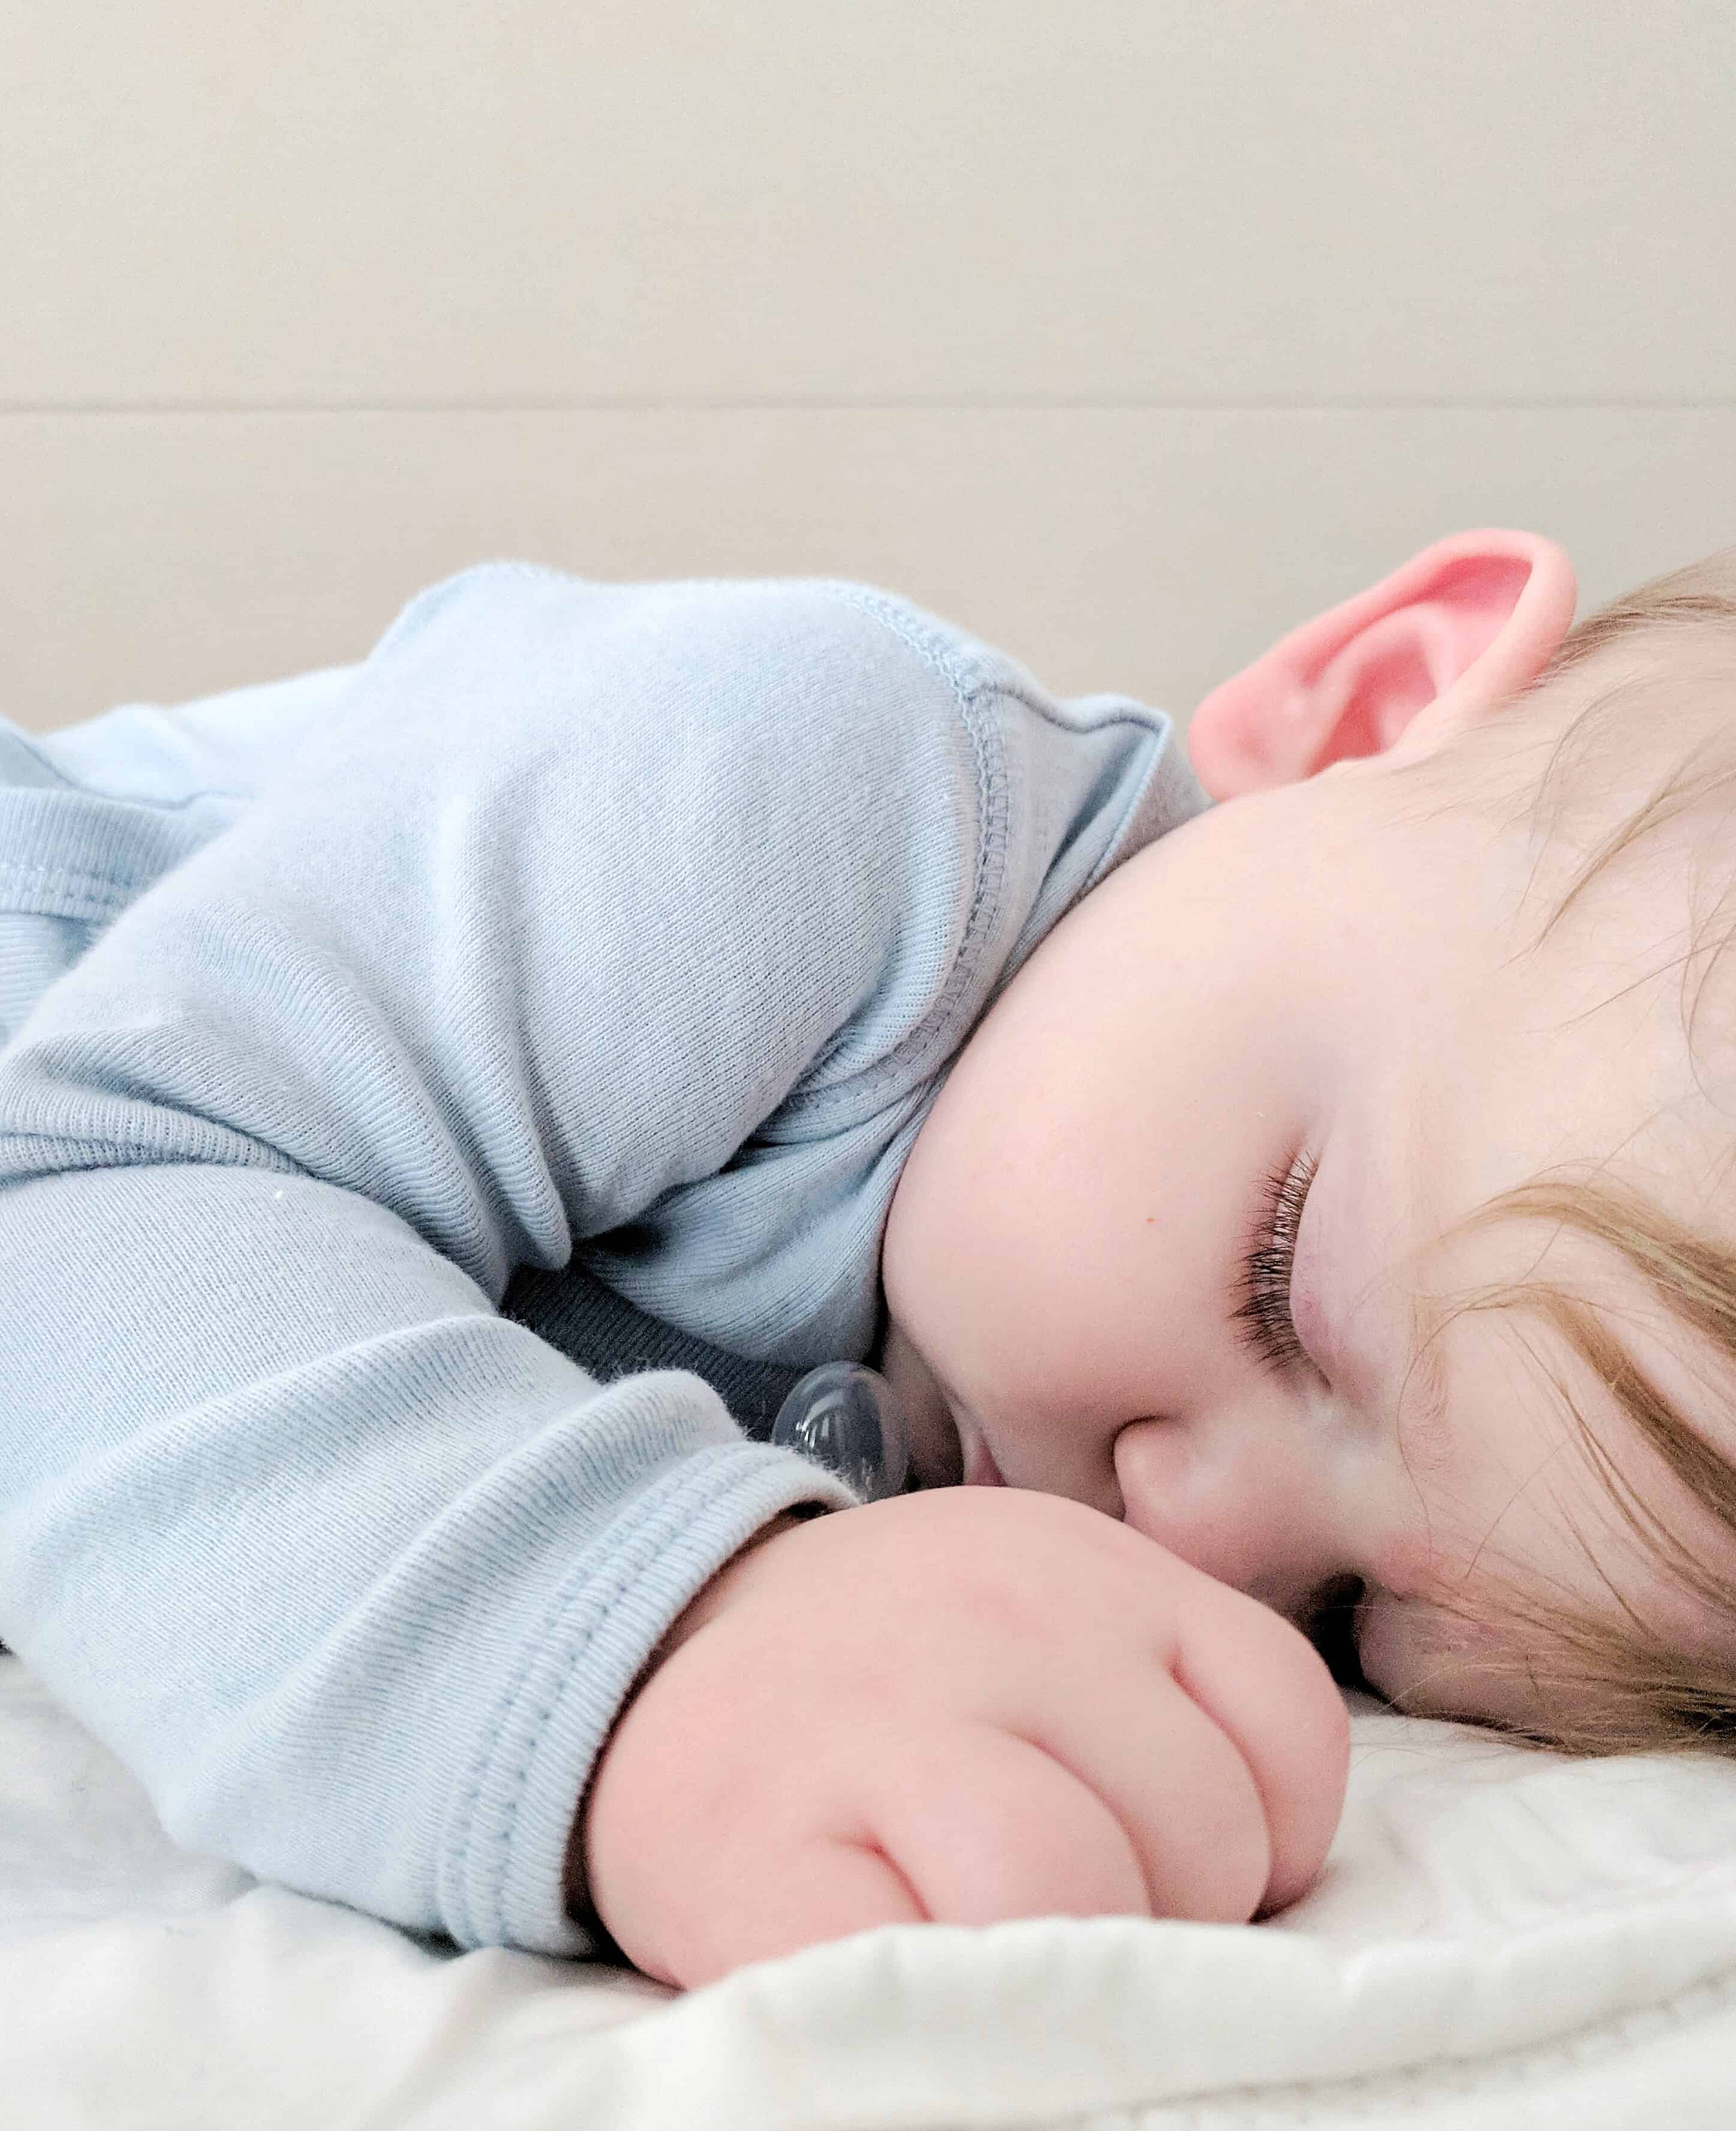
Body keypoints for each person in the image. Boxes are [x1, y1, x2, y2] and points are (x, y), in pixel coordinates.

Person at [2, 531, 1732, 1995]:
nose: (1202, 1540)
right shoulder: (828, 782)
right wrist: (665, 1635)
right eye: (1276, 1283)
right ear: (1366, 709)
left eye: (1347, 1614)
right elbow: (72, 1214)